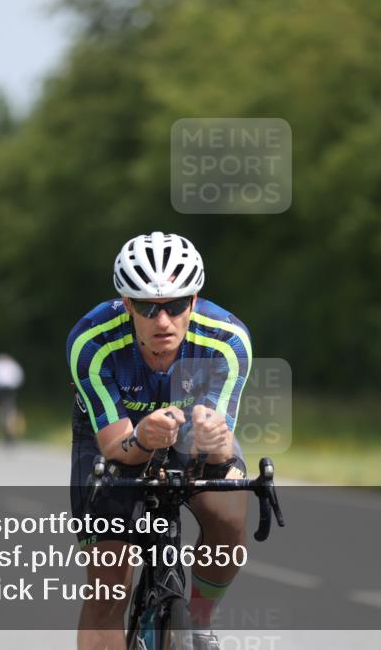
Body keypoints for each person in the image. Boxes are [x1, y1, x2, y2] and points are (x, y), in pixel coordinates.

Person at [67, 232, 252, 650]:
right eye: (148, 308)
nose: (162, 321)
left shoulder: (227, 339)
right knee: (109, 581)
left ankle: (200, 619)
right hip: (114, 436)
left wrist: (214, 438)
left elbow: (221, 450)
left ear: (194, 300)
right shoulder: (91, 340)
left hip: (188, 432)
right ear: (128, 304)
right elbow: (115, 447)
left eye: (174, 306)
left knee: (229, 511)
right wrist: (143, 439)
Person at [0, 353, 25, 444]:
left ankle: (9, 432)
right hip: (0, 391)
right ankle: (3, 431)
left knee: (9, 412)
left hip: (9, 391)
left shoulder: (9, 365)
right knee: (1, 412)